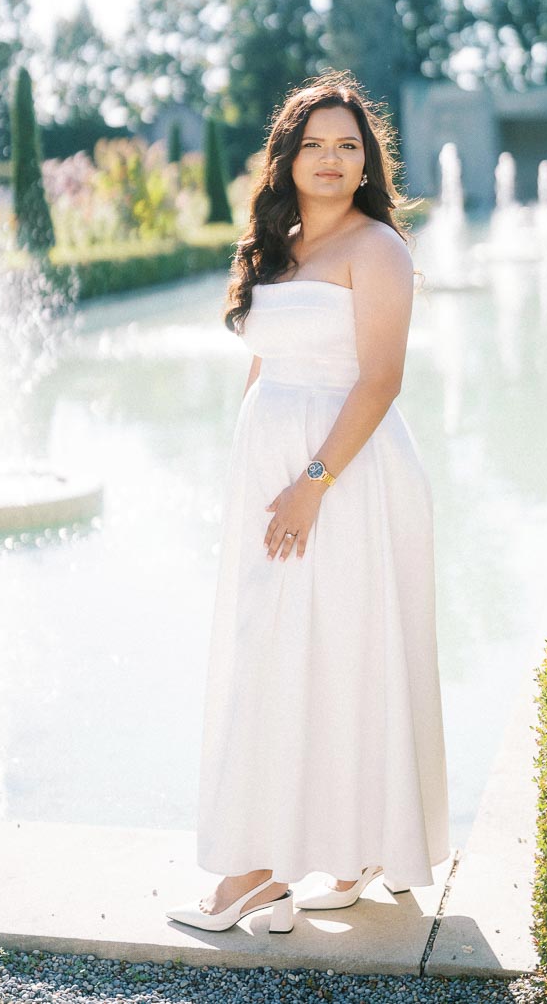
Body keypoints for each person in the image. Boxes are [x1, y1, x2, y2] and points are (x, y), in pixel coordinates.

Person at [166, 70, 449, 934]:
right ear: (288, 157)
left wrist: (311, 486)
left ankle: (259, 874)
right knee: (280, 652)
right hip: (276, 471)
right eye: (315, 144)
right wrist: (253, 467)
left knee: (343, 651)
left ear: (367, 162)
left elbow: (382, 379)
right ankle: (338, 854)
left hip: (347, 476)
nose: (332, 159)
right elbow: (266, 364)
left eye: (348, 146)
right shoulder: (273, 247)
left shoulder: (379, 250)